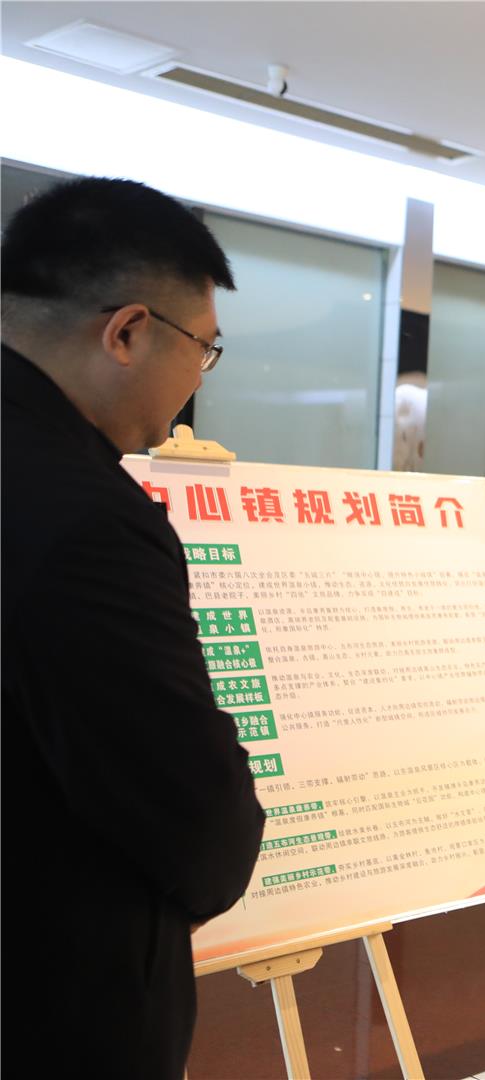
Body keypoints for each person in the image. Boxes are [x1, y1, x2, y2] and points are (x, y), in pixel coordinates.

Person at [2, 178, 267, 1077]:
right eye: (205, 348)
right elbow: (187, 805)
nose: (198, 379)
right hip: (53, 992)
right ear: (127, 332)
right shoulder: (83, 512)